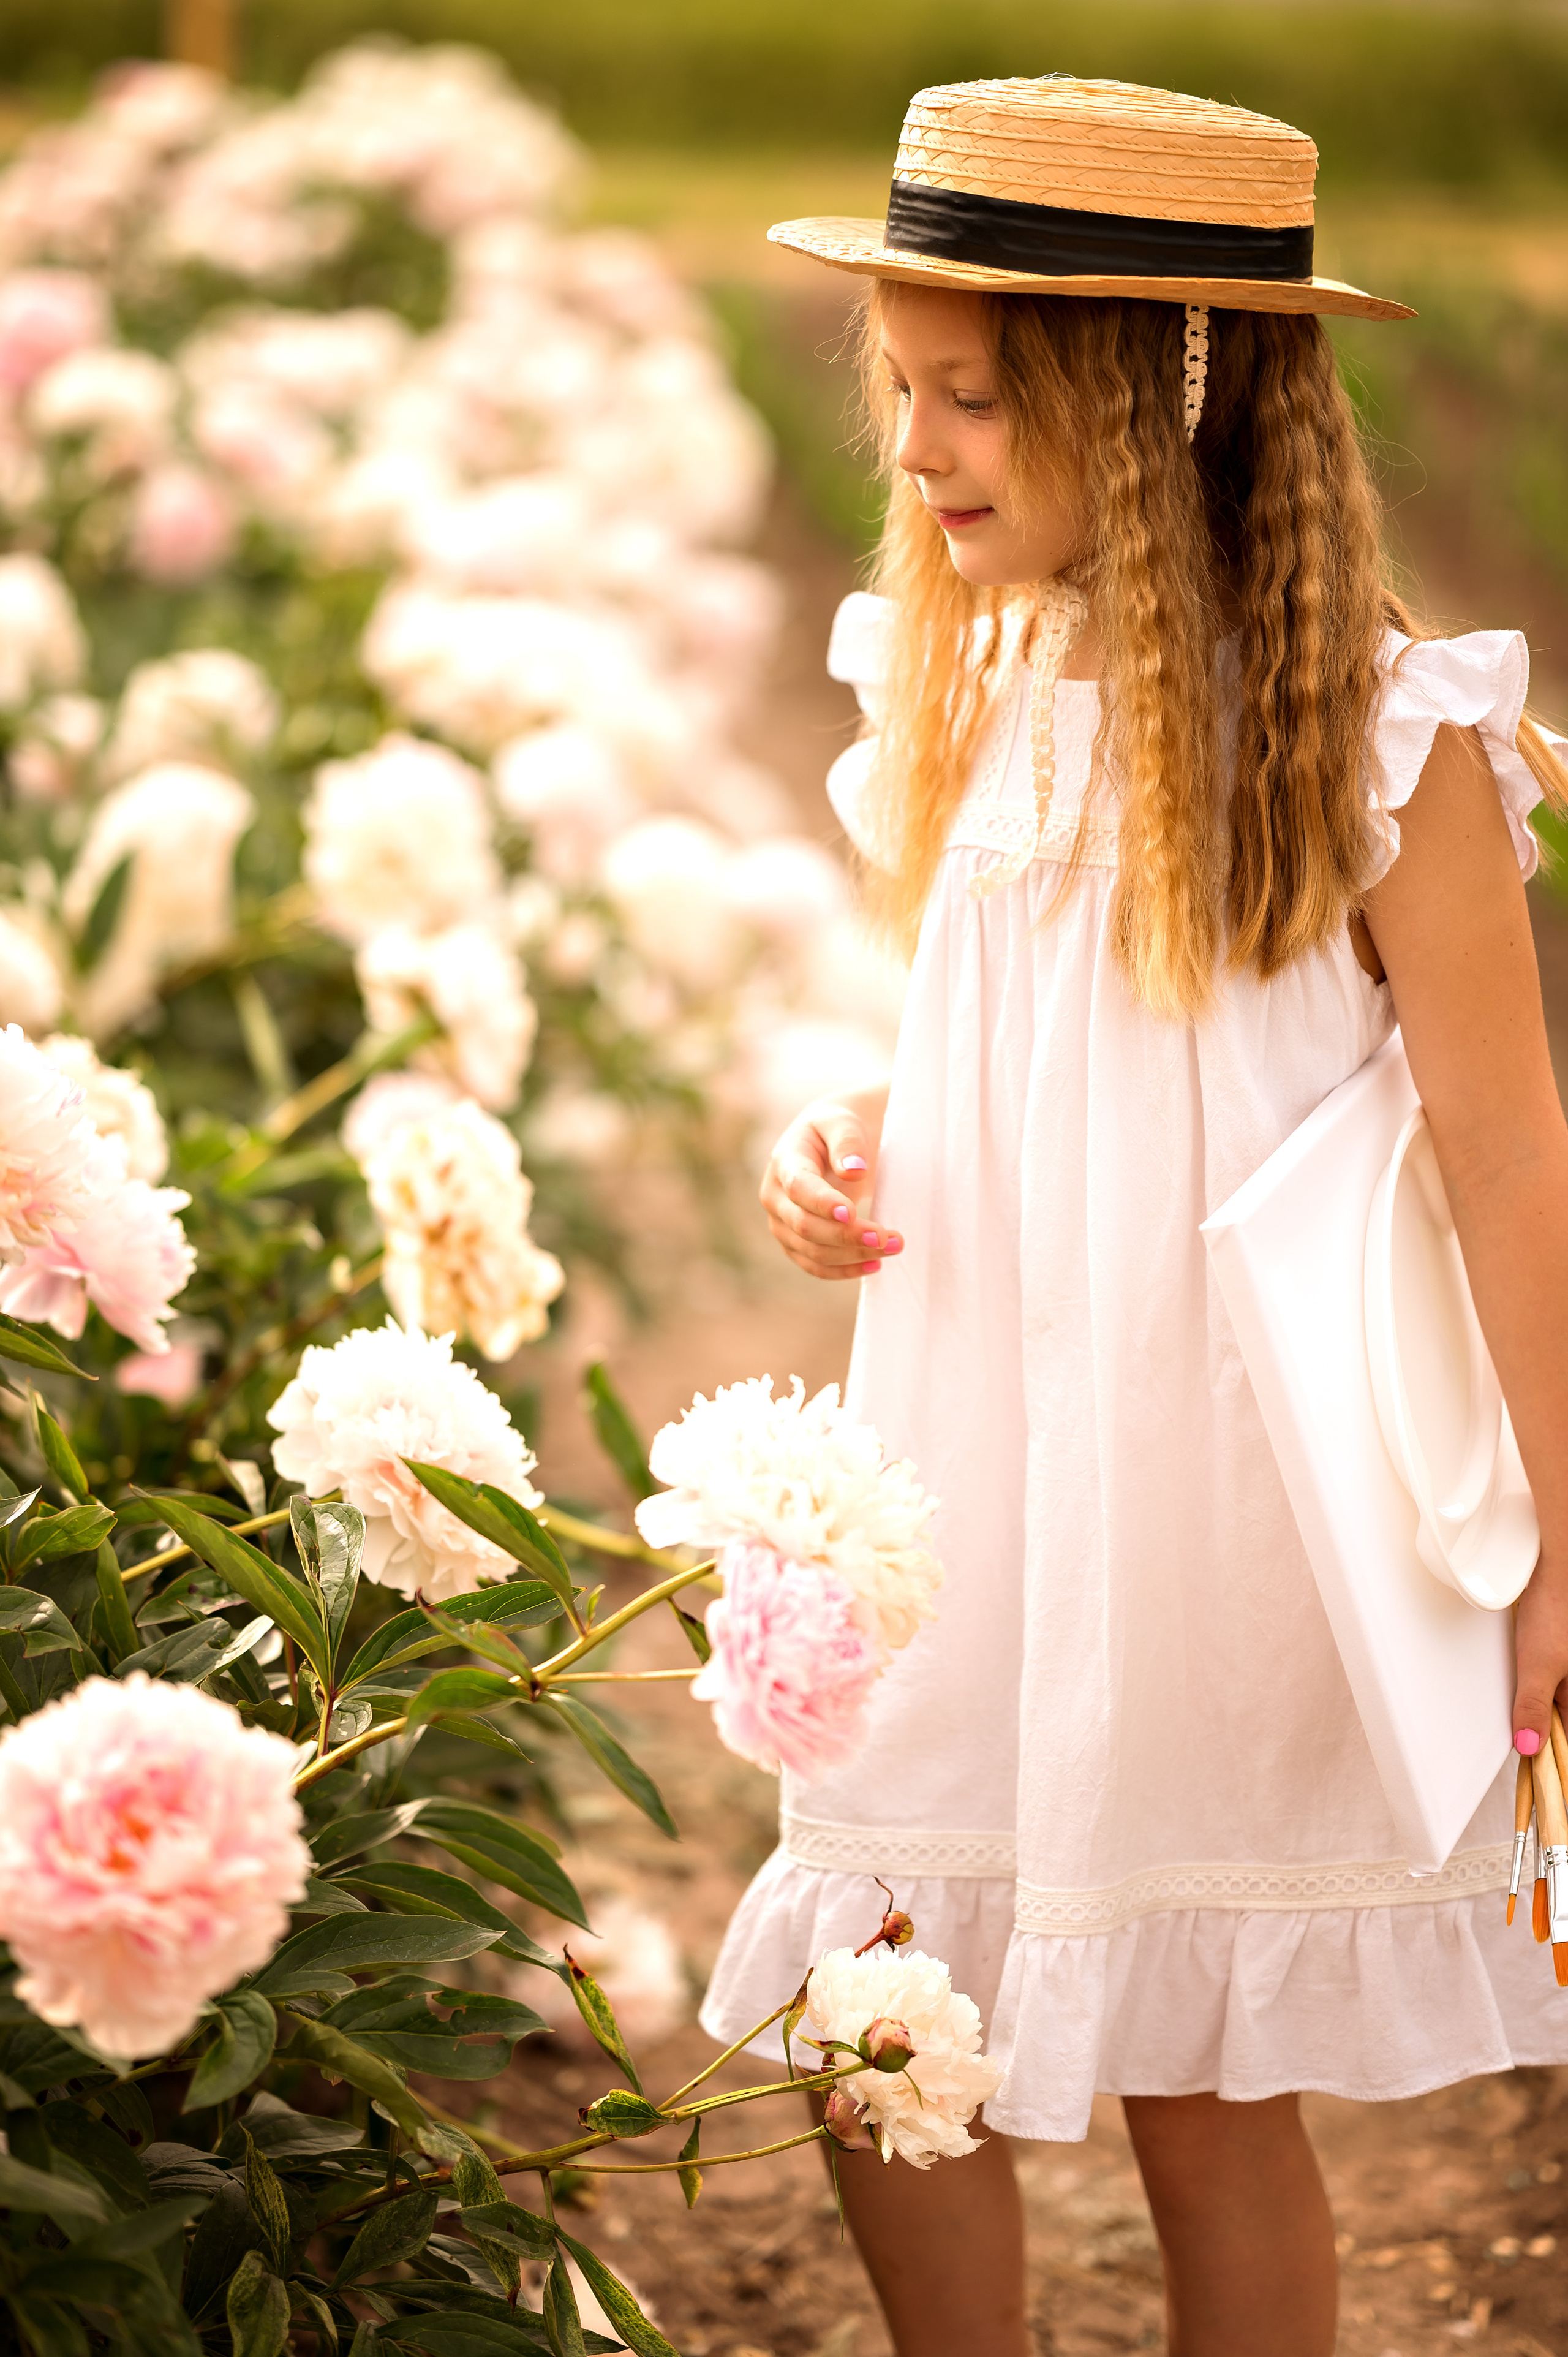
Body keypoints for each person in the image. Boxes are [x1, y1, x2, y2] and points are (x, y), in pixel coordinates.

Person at [695, 76, 1568, 2357]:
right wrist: (841, 1129)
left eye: (969, 398)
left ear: (1159, 391)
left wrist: (1565, 1542)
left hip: (1215, 1491)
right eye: (902, 393)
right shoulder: (958, 693)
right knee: (879, 1998)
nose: (914, 452)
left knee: (1199, 2081)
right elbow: (1002, 1045)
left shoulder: (1387, 743)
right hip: (967, 1436)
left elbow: (1506, 1155)